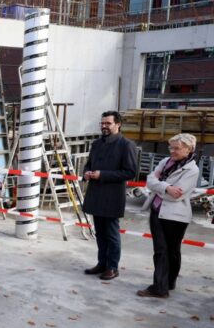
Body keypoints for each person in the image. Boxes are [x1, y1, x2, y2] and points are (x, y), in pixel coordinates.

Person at [137, 133, 200, 299]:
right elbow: (149, 180)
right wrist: (165, 187)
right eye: (170, 147)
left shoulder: (192, 169)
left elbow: (175, 195)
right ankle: (161, 285)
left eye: (177, 148)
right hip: (157, 210)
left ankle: (166, 284)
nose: (172, 151)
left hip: (175, 216)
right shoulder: (166, 162)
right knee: (161, 250)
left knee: (172, 251)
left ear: (189, 149)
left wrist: (161, 188)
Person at [82, 111, 138, 281]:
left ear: (118, 124)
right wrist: (86, 173)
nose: (104, 126)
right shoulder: (97, 144)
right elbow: (89, 164)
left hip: (112, 196)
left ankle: (112, 267)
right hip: (96, 194)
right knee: (99, 232)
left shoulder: (126, 145)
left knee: (111, 233)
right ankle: (102, 263)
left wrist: (102, 175)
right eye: (102, 123)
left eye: (108, 123)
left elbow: (130, 172)